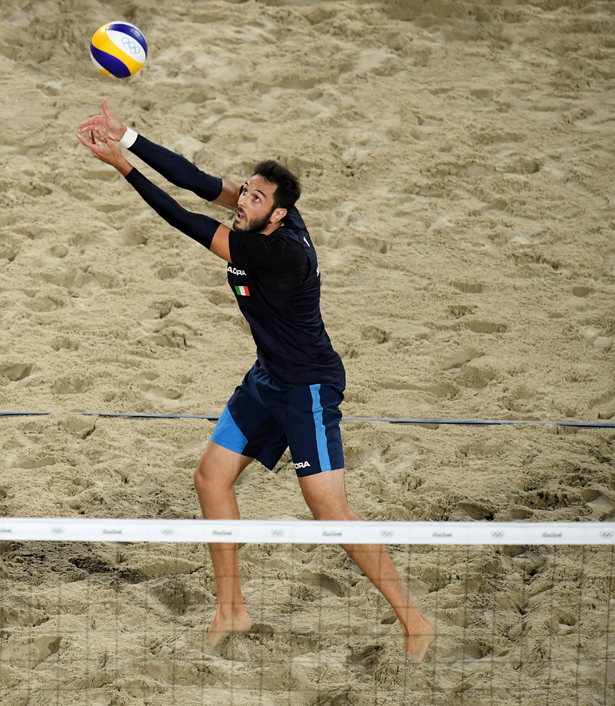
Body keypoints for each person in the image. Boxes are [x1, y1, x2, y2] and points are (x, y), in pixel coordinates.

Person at [76, 101, 437, 663]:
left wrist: (122, 168)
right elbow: (195, 182)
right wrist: (130, 136)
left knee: (329, 512)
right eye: (244, 191)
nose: (241, 201)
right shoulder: (261, 215)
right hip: (267, 379)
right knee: (210, 477)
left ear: (279, 216)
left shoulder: (275, 253)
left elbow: (182, 218)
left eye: (254, 199)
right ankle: (231, 608)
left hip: (308, 387)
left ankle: (416, 622)